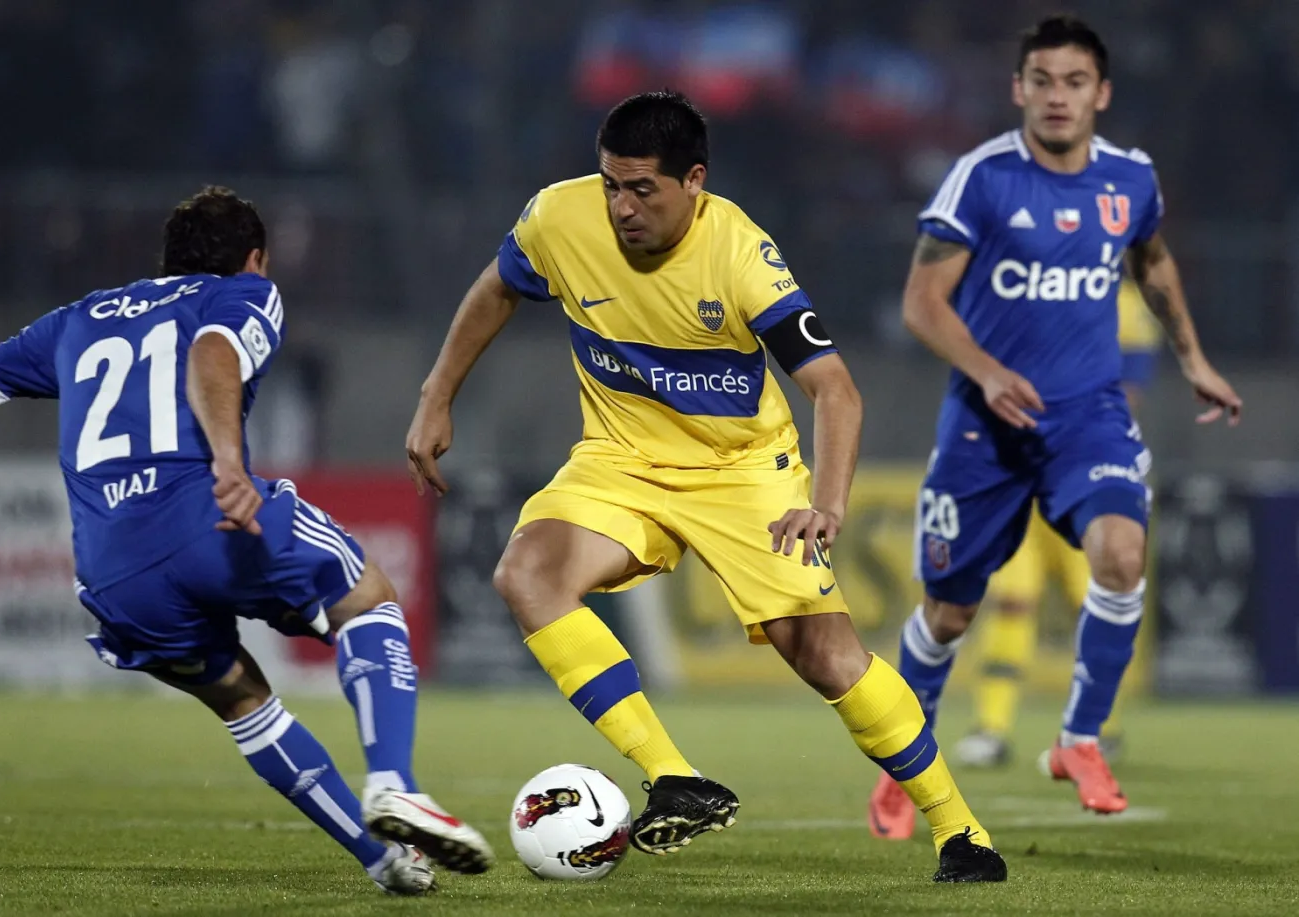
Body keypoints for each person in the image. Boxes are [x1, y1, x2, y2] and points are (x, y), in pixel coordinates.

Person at [406, 90, 1006, 882]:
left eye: (642, 189)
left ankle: (959, 829)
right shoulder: (560, 217)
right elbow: (498, 286)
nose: (621, 207)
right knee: (527, 571)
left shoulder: (741, 255)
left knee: (826, 656)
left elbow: (836, 390)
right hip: (619, 460)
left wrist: (823, 504)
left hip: (743, 471)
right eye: (611, 184)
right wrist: (436, 393)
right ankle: (675, 777)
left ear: (695, 181)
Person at [0, 187, 493, 894]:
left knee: (243, 700)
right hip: (210, 518)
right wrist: (226, 460)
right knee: (367, 599)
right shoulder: (241, 294)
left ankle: (386, 860)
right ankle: (395, 784)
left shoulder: (76, 319)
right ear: (254, 258)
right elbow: (214, 354)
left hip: (113, 571)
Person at [870, 16, 1242, 841]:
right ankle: (907, 760)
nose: (1058, 96)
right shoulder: (982, 179)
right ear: (1019, 90)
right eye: (1042, 80)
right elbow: (920, 303)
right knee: (949, 614)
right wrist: (989, 371)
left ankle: (1078, 740)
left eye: (1075, 82)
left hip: (1088, 415)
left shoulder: (1129, 180)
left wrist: (1192, 358)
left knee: (1120, 552)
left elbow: (1151, 258)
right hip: (985, 423)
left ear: (1101, 93)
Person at [958, 278, 1160, 769]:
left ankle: (1098, 730)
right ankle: (993, 728)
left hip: (1079, 480)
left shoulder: (1126, 306)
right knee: (1011, 600)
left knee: (1094, 600)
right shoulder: (1019, 287)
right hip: (1021, 480)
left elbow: (1126, 396)